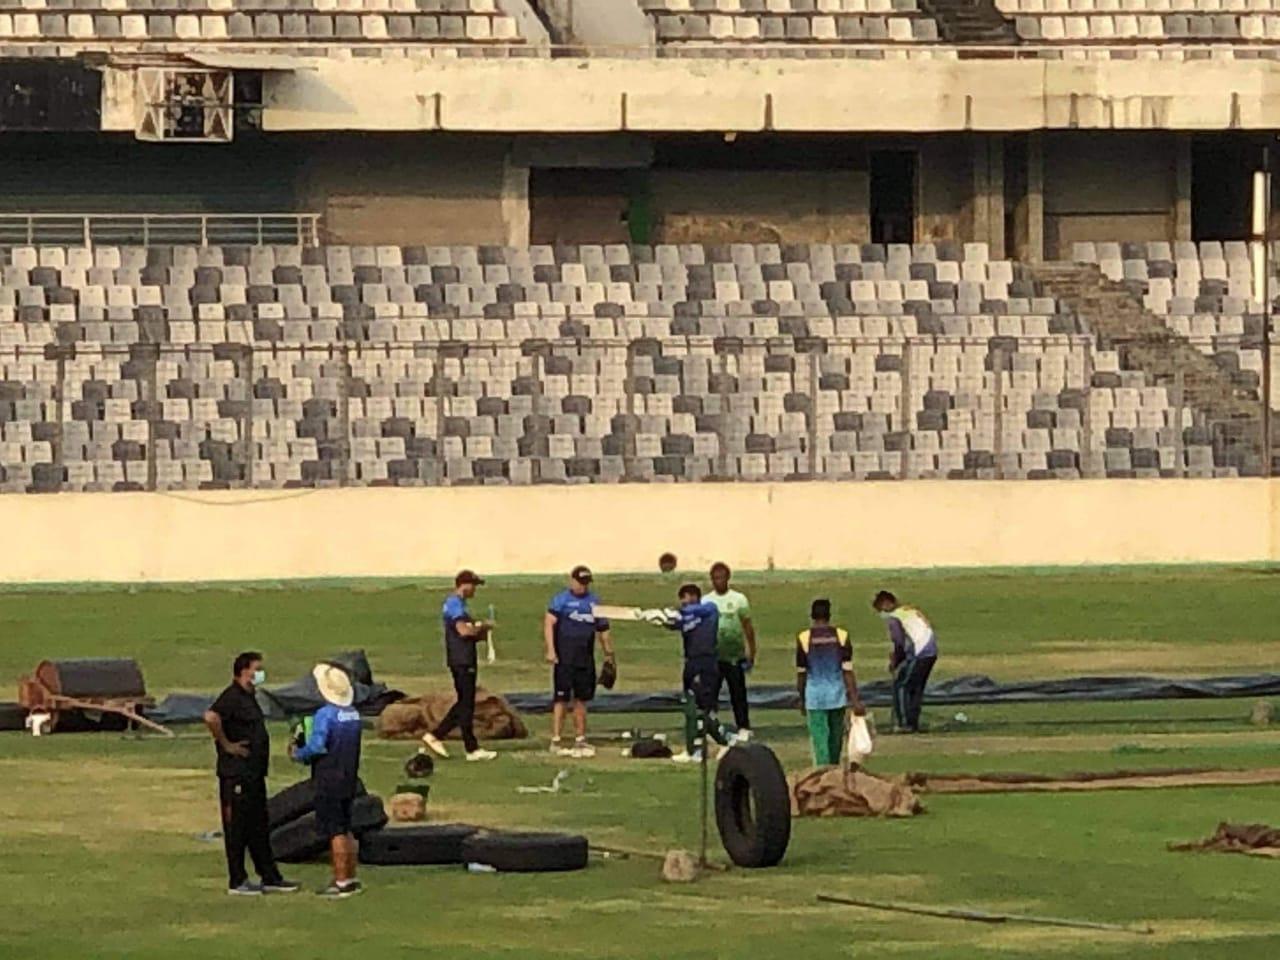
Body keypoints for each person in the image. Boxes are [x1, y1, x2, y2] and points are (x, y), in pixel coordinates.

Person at [203, 652, 298, 897]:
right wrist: (226, 745)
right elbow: (211, 717)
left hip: (254, 774)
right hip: (236, 775)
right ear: (244, 671)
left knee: (259, 826)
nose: (260, 673)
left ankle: (270, 877)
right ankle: (238, 880)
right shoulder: (231, 696)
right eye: (257, 669)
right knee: (237, 829)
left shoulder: (250, 696)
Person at [291, 663, 364, 899]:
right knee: (346, 827)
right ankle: (351, 876)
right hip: (348, 774)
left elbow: (317, 746)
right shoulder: (353, 714)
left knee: (335, 831)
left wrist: (298, 752)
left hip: (329, 776)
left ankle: (341, 881)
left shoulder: (325, 715)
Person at [420, 570, 498, 762]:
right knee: (466, 703)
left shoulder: (457, 605)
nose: (475, 590)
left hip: (462, 658)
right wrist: (482, 627)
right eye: (474, 586)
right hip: (462, 660)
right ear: (465, 584)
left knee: (466, 702)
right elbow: (463, 631)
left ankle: (463, 744)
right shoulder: (455, 604)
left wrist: (478, 631)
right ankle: (447, 739)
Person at [544, 565, 616, 758]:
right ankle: (556, 738)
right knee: (561, 698)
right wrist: (551, 650)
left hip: (585, 658)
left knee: (581, 699)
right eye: (580, 582)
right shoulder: (561, 600)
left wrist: (609, 654)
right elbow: (549, 623)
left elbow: (603, 629)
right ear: (572, 581)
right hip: (564, 658)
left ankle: (580, 738)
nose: (583, 587)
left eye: (586, 583)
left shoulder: (594, 602)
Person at [666, 583, 733, 764]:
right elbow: (672, 623)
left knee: (701, 708)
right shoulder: (685, 618)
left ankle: (723, 742)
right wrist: (658, 617)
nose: (684, 603)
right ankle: (693, 748)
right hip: (691, 663)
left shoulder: (708, 610)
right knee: (690, 707)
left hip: (706, 662)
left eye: (685, 598)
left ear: (694, 596)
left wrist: (679, 612)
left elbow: (695, 611)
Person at [796, 599, 866, 766]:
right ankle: (833, 772)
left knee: (820, 740)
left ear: (812, 615)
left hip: (814, 697)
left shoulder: (804, 638)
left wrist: (801, 697)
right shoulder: (841, 636)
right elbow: (847, 670)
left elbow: (801, 672)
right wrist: (855, 700)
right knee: (835, 739)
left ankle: (823, 774)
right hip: (837, 695)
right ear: (829, 615)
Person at [704, 561, 757, 741]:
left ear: (728, 578)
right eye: (715, 578)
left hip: (734, 655)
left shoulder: (739, 599)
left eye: (721, 578)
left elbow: (747, 627)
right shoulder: (707, 601)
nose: (718, 581)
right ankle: (710, 727)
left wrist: (751, 651)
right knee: (711, 693)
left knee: (738, 692)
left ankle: (744, 727)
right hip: (714, 656)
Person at [873, 590, 938, 733]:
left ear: (887, 604)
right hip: (931, 651)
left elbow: (899, 643)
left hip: (920, 652)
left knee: (902, 686)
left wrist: (895, 662)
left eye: (881, 609)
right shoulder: (909, 610)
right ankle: (913, 722)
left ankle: (904, 723)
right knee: (916, 688)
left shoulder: (895, 617)